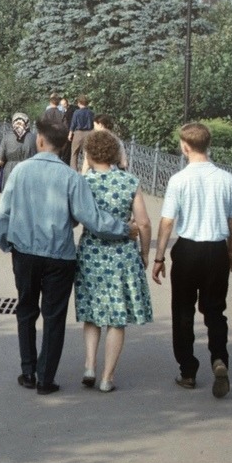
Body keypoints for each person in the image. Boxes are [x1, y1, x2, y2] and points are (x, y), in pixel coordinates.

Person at [0, 115, 136, 395]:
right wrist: (123, 229)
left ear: (40, 140)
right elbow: (91, 218)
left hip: (25, 253)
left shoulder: (20, 172)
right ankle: (46, 379)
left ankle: (28, 371)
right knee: (54, 317)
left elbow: (2, 215)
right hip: (60, 256)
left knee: (26, 310)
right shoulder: (72, 178)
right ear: (62, 145)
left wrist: (5, 243)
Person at [152, 122, 232, 399]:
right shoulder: (227, 179)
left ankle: (188, 370)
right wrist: (229, 251)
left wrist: (159, 257)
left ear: (185, 146)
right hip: (216, 248)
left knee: (183, 311)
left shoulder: (179, 180)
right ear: (209, 144)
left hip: (188, 250)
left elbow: (167, 222)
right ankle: (219, 359)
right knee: (215, 310)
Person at [75, 130, 153, 393]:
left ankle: (89, 366)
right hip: (123, 255)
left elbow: (76, 217)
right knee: (117, 317)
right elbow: (142, 222)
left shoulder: (83, 183)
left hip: (92, 252)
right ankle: (107, 378)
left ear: (88, 154)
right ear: (114, 153)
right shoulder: (130, 181)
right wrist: (145, 253)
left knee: (92, 312)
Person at [0, 112, 36, 193]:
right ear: (27, 123)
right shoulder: (34, 138)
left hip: (9, 172)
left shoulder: (7, 138)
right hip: (28, 173)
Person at [68, 95, 95, 172]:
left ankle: (73, 170)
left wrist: (70, 134)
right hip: (89, 133)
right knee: (86, 154)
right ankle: (86, 171)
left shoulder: (76, 112)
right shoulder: (91, 113)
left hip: (78, 133)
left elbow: (73, 124)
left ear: (79, 103)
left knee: (74, 153)